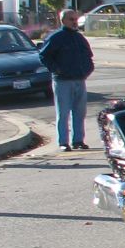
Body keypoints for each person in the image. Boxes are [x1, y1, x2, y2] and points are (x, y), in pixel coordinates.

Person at [38, 8, 96, 149]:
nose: (74, 22)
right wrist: (56, 69)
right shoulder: (56, 37)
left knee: (79, 113)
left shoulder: (79, 38)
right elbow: (43, 56)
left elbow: (88, 56)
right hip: (62, 81)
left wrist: (88, 70)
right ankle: (63, 142)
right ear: (63, 20)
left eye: (76, 19)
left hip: (79, 80)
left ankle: (78, 141)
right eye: (71, 19)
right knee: (63, 113)